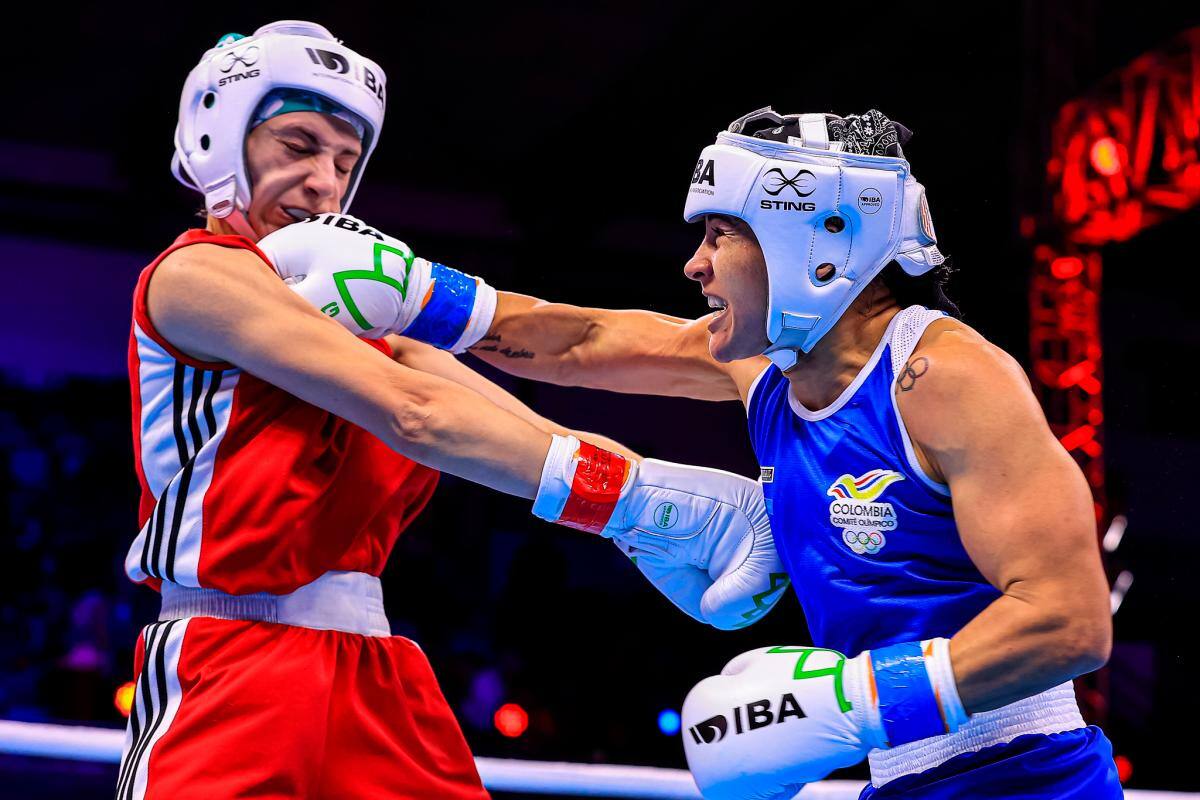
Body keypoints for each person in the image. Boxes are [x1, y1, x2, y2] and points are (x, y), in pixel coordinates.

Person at [115, 22, 786, 799]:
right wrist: (637, 498)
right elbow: (414, 412)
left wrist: (778, 356)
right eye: (297, 145)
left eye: (344, 160)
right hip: (228, 662)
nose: (325, 184)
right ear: (217, 138)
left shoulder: (353, 300)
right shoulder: (193, 277)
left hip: (376, 669)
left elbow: (531, 378)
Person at [415, 108, 1119, 797]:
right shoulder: (768, 373)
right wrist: (414, 297)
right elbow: (580, 342)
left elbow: (1070, 622)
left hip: (1030, 774)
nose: (695, 266)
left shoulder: (942, 377)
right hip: (899, 774)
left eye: (722, 235)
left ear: (820, 238)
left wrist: (853, 704)